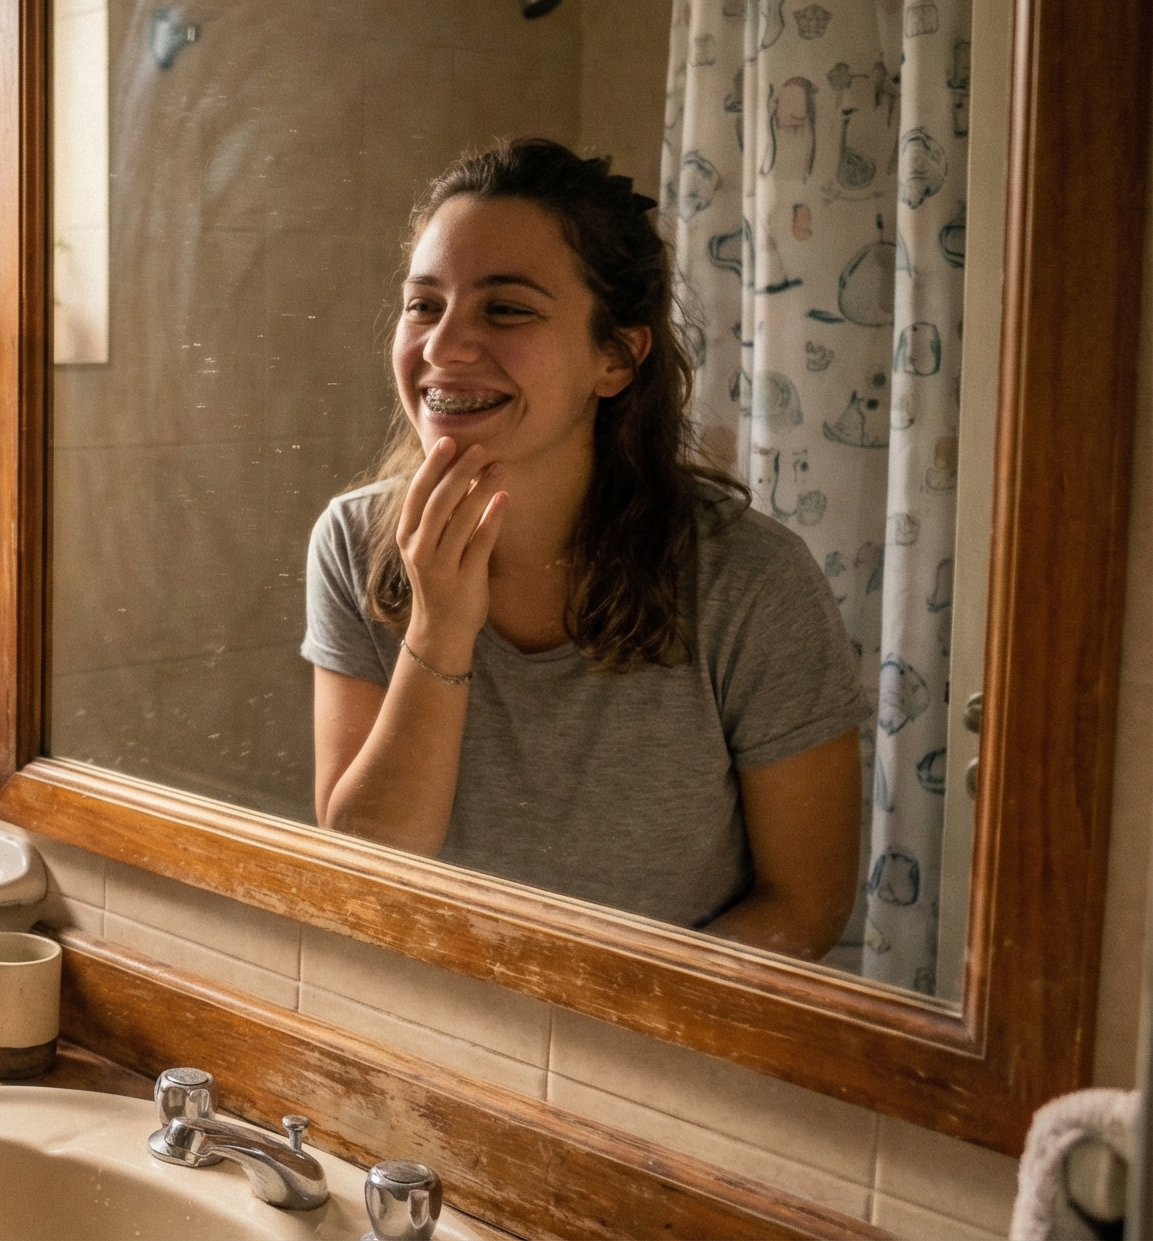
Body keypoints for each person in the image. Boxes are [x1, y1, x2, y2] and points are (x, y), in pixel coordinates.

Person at [303, 138, 862, 960]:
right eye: (424, 304)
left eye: (507, 309)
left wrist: (597, 1028)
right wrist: (438, 632)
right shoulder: (354, 543)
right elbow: (367, 870)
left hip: (651, 1051)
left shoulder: (750, 580)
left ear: (617, 356)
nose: (444, 346)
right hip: (431, 1020)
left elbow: (805, 904)